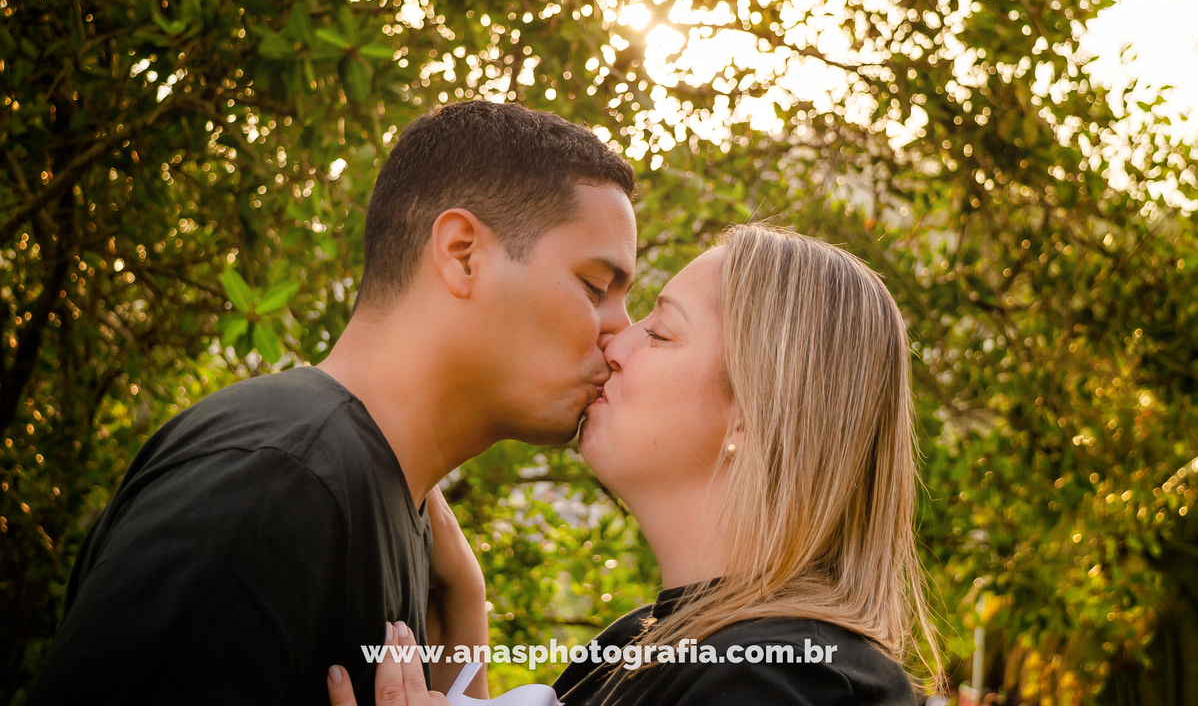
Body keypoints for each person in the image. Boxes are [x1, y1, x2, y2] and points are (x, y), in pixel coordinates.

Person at [26, 101, 638, 706]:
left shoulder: (385, 509)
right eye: (594, 288)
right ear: (462, 255)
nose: (622, 336)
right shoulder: (272, 483)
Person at [333, 224, 940, 706]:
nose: (616, 344)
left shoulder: (779, 683)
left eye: (662, 332)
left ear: (753, 414)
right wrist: (462, 608)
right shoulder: (643, 644)